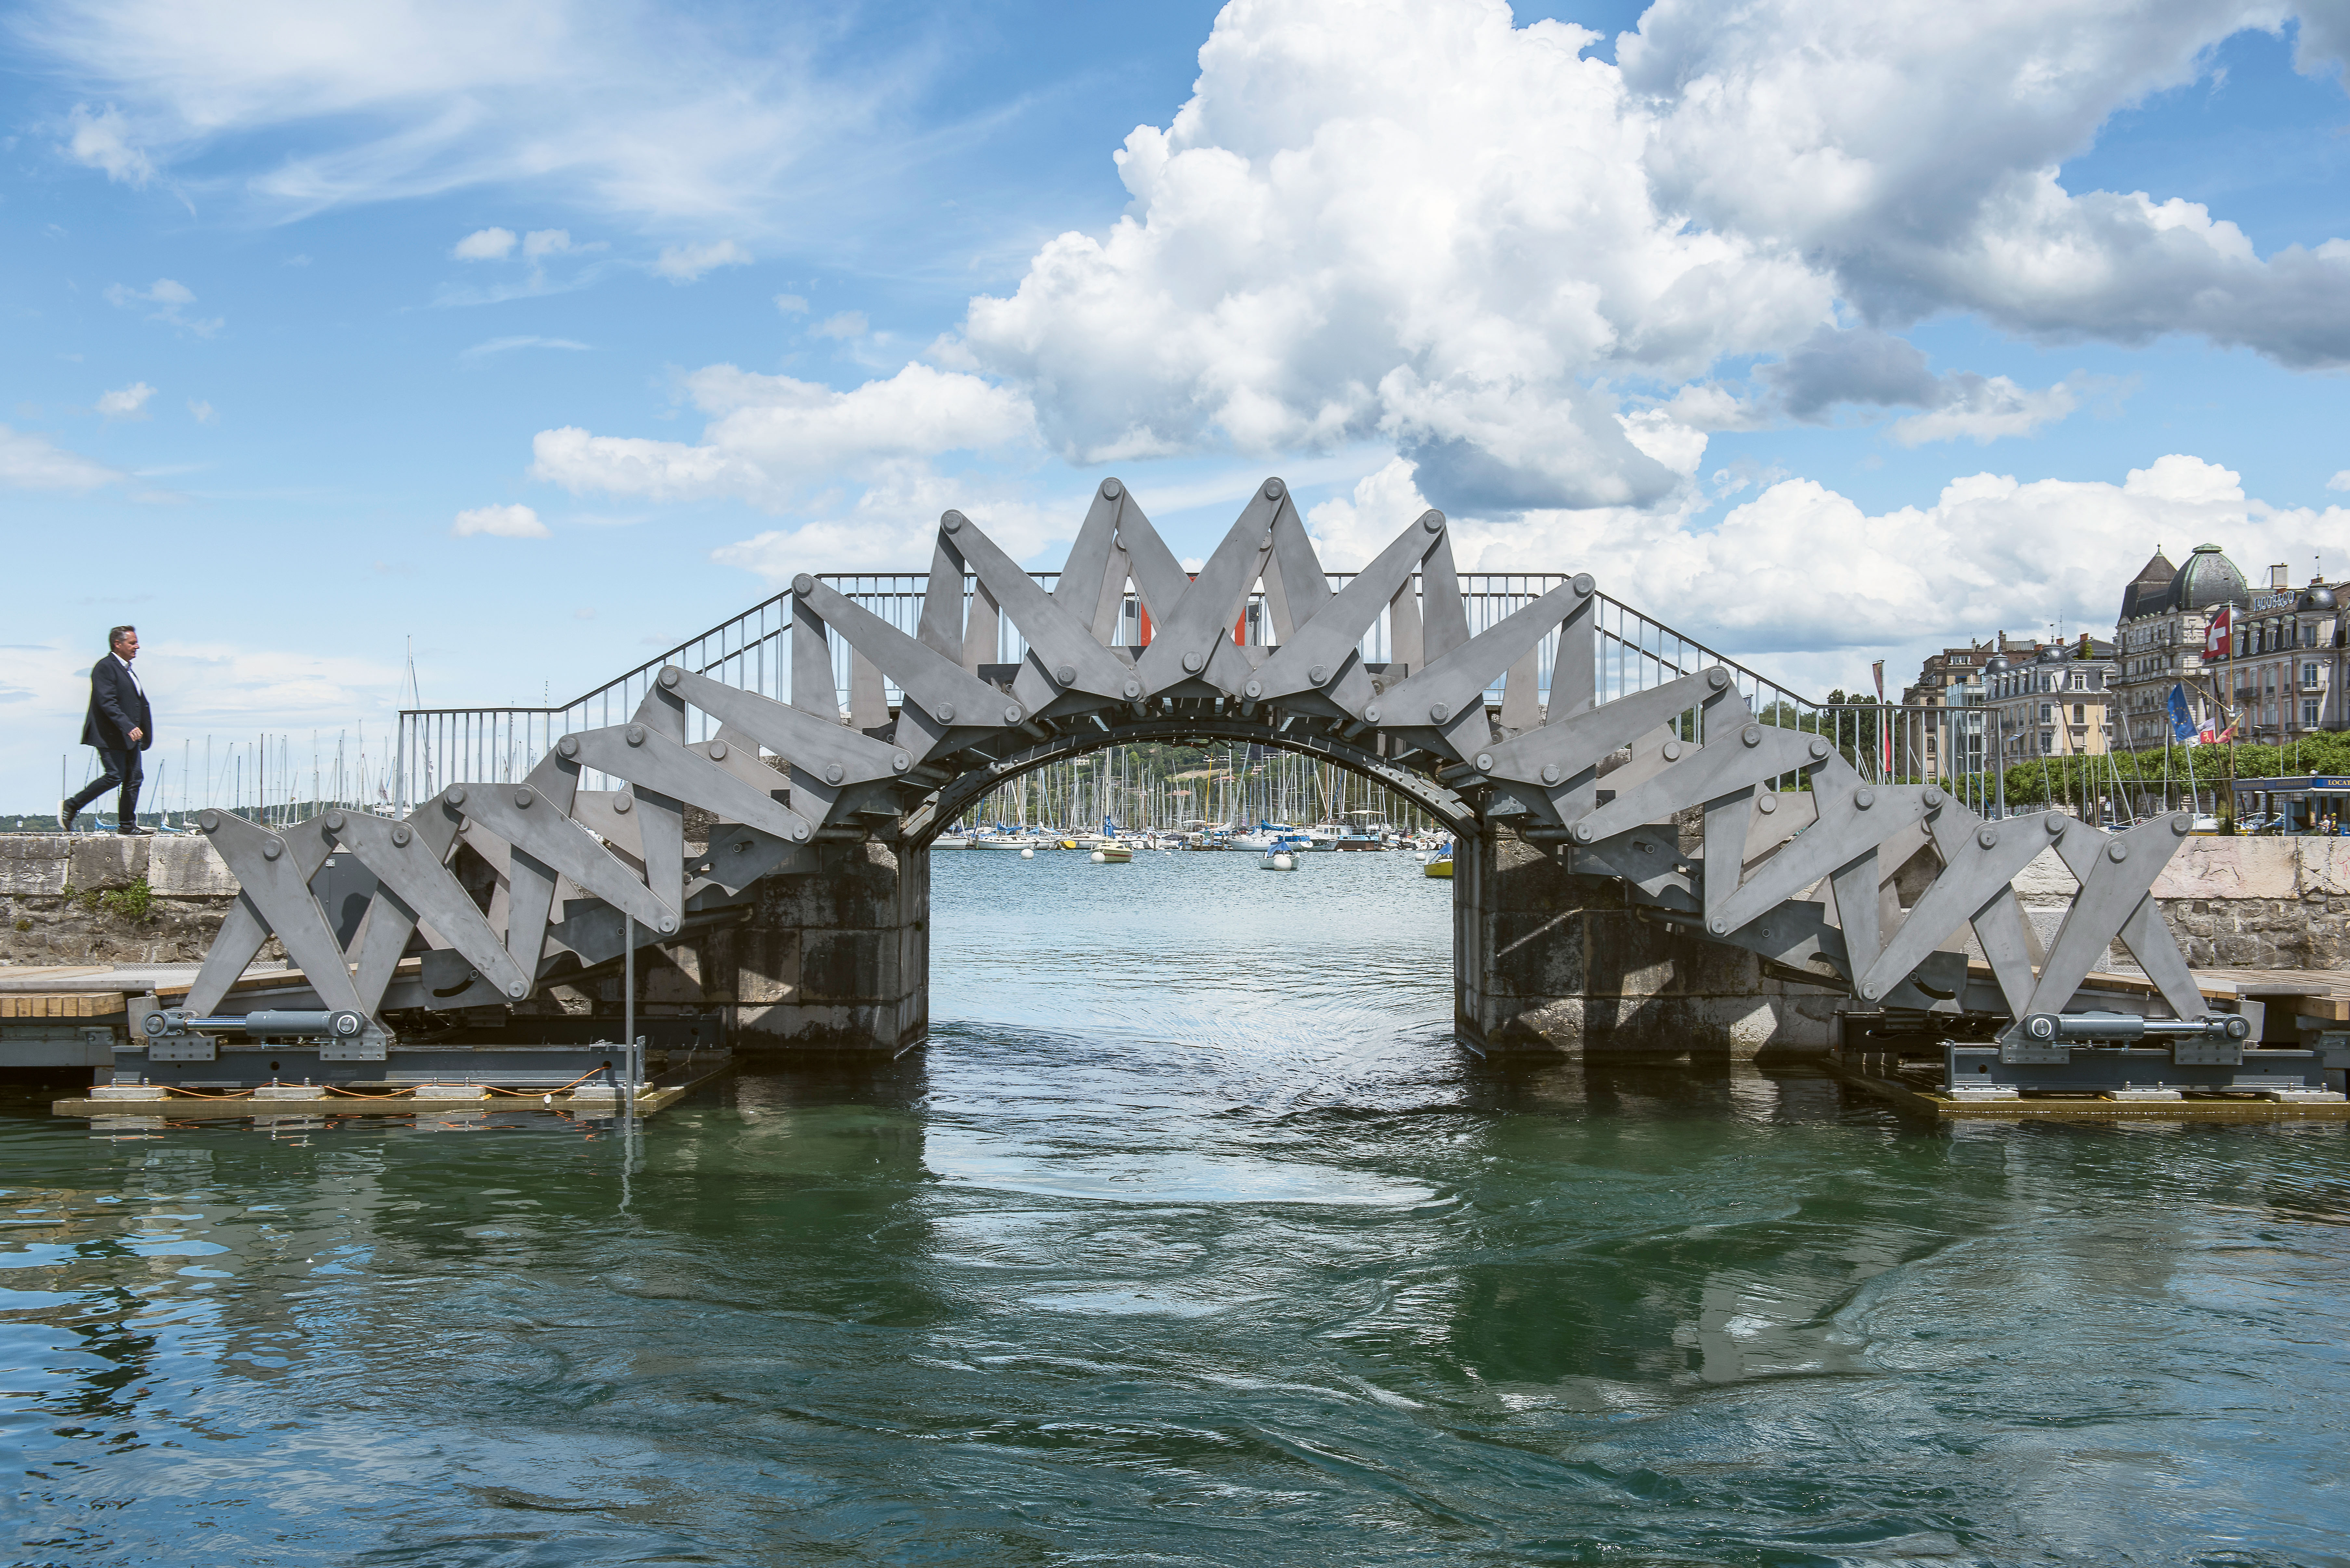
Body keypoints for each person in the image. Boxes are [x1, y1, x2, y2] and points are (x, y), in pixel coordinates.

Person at [60, 626, 154, 836]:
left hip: (130, 737)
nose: (137, 646)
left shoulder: (127, 670)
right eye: (132, 643)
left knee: (135, 779)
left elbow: (138, 704)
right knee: (115, 776)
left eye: (136, 642)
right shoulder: (105, 667)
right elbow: (107, 702)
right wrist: (128, 726)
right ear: (117, 644)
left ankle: (127, 825)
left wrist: (142, 732)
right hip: (110, 734)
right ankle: (72, 806)